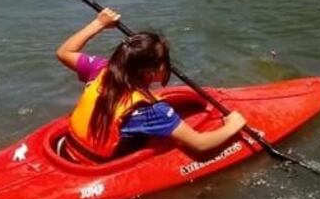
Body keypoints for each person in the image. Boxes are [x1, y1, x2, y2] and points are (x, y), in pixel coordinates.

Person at [56, 8, 247, 160]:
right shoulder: (151, 111)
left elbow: (64, 52)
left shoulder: (101, 69)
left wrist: (98, 23)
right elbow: (200, 144)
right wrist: (232, 126)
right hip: (96, 164)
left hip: (67, 148)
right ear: (150, 72)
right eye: (165, 61)